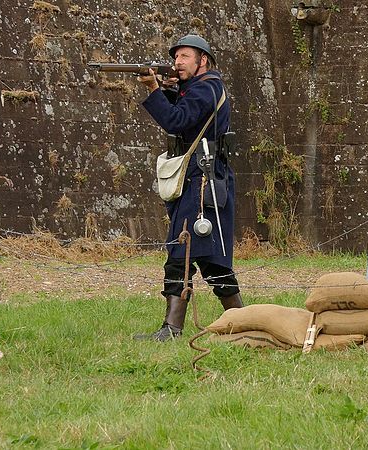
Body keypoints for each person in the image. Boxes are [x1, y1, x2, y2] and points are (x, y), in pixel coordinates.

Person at [133, 35, 244, 341]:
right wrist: (168, 89)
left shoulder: (207, 88)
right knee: (208, 260)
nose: (177, 62)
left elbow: (176, 120)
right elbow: (183, 110)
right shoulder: (197, 88)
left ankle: (178, 328)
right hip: (199, 177)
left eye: (184, 57)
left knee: (188, 256)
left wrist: (155, 90)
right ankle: (239, 323)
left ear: (202, 61)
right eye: (176, 57)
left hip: (204, 179)